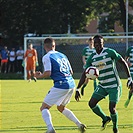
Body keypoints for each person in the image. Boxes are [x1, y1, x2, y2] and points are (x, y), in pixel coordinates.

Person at [75, 35, 133, 133]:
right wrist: (77, 88)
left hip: (114, 85)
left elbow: (123, 62)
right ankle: (105, 118)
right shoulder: (92, 57)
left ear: (103, 43)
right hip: (102, 85)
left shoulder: (110, 52)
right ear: (93, 44)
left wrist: (129, 78)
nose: (98, 45)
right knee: (91, 103)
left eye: (100, 43)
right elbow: (84, 73)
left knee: (112, 108)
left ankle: (115, 127)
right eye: (96, 43)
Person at [35, 38, 86, 133]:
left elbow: (48, 73)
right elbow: (71, 71)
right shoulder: (62, 55)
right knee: (61, 108)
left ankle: (50, 129)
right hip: (71, 84)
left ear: (45, 46)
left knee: (44, 108)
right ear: (54, 46)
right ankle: (79, 124)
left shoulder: (47, 57)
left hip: (61, 85)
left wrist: (40, 75)